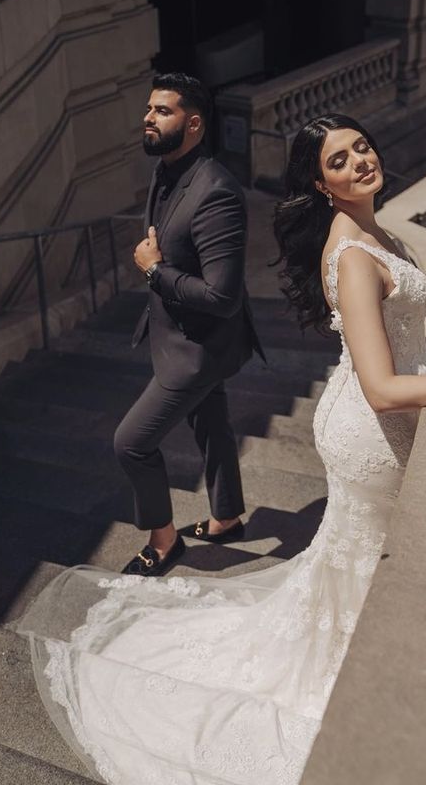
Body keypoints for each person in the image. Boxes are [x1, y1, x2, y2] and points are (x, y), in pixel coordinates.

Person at [13, 114, 426, 785]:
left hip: (362, 411)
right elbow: (385, 390)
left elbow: (391, 327)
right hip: (370, 430)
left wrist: (425, 343)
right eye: (340, 160)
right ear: (319, 181)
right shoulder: (355, 253)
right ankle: (364, 683)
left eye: (362, 147)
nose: (360, 162)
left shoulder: (374, 227)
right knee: (368, 560)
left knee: (352, 560)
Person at [115, 72, 264, 576]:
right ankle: (227, 518)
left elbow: (222, 297)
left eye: (162, 111)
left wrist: (155, 271)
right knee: (210, 421)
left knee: (132, 442)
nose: (148, 117)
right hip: (180, 336)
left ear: (194, 123)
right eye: (149, 109)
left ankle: (164, 541)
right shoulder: (166, 169)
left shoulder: (216, 193)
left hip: (198, 348)